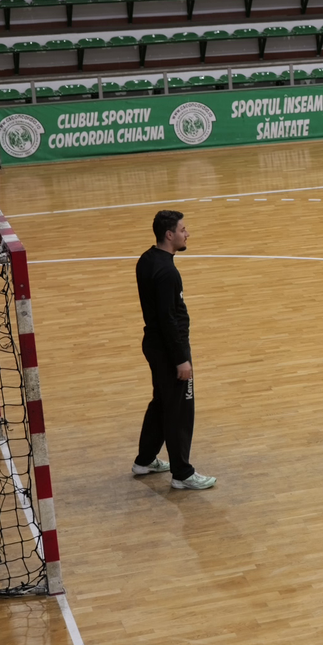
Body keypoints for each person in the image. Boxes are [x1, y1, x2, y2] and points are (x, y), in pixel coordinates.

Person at [133, 210, 216, 490]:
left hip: (154, 345)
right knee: (180, 409)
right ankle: (182, 473)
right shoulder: (167, 272)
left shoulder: (147, 260)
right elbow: (169, 319)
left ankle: (144, 460)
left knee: (162, 402)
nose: (187, 233)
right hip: (170, 350)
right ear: (169, 234)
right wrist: (181, 359)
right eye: (183, 229)